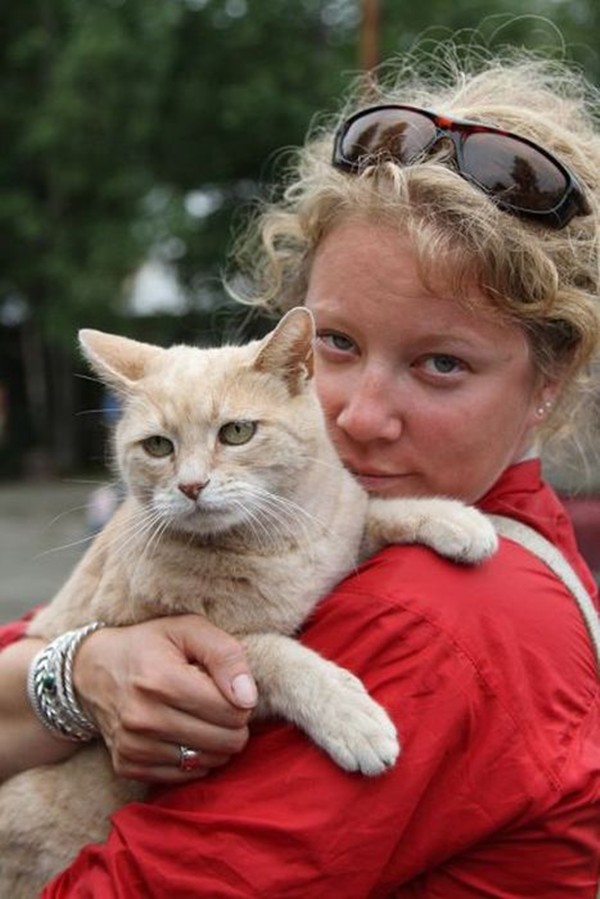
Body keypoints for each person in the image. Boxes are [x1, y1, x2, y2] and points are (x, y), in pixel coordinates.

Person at [0, 42, 599, 897]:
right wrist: (81, 672)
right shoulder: (290, 514)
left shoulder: (440, 618)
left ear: (551, 378)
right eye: (339, 345)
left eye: (442, 365)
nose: (358, 413)